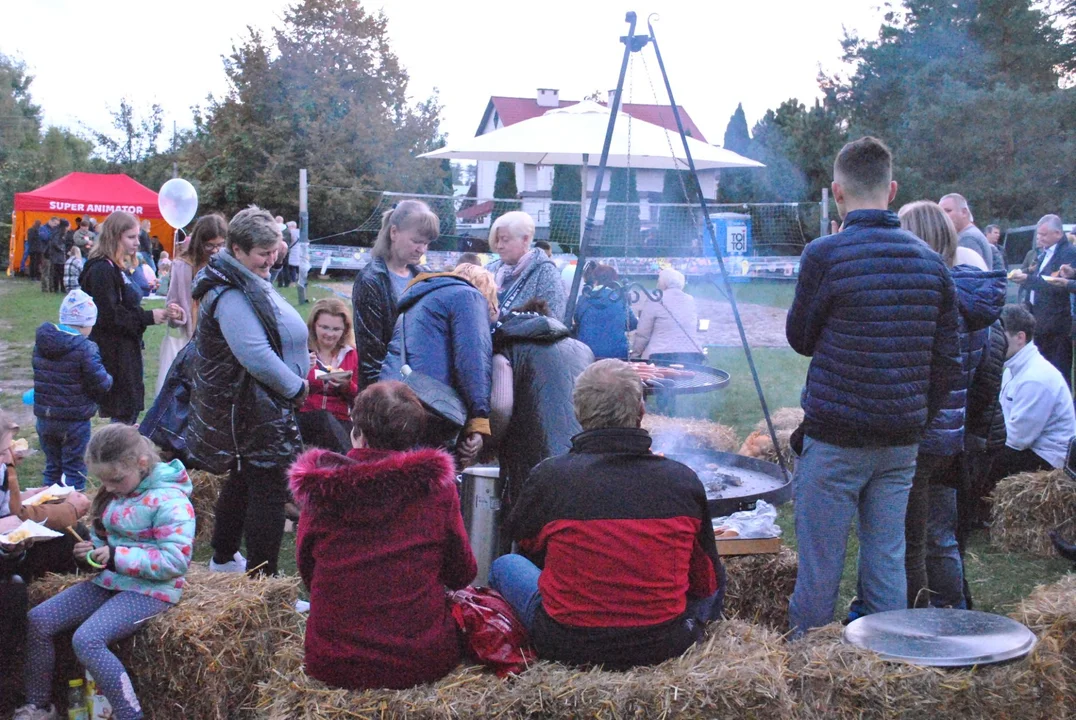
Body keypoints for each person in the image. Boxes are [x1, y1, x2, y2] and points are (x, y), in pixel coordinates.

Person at [785, 137, 961, 636]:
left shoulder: (825, 254)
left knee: (820, 563)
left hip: (836, 435)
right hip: (901, 439)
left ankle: (804, 665)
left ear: (837, 193)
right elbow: (947, 363)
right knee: (886, 559)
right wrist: (914, 417)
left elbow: (800, 338)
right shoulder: (931, 262)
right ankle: (883, 669)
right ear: (893, 189)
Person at [489, 359, 724, 669]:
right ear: (641, 411)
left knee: (505, 564)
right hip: (665, 643)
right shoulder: (682, 479)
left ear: (578, 414)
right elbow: (706, 581)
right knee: (716, 573)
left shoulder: (550, 477)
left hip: (566, 643)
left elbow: (527, 544)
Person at [289, 381, 477, 690]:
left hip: (334, 661)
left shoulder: (321, 489)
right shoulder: (436, 488)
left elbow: (309, 573)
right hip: (420, 661)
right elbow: (462, 573)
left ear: (357, 431)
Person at [15, 424, 194, 720]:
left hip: (151, 590)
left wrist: (115, 557)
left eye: (115, 480)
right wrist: (89, 555)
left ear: (142, 463)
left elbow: (174, 562)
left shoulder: (171, 501)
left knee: (87, 640)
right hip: (109, 581)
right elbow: (103, 539)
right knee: (39, 620)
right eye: (103, 480)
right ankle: (39, 705)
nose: (108, 487)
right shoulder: (117, 493)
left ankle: (130, 714)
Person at [186, 206, 308, 577]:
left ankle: (224, 559)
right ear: (236, 250)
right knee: (268, 489)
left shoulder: (241, 277)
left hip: (256, 405)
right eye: (263, 254)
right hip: (252, 407)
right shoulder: (230, 294)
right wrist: (296, 387)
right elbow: (254, 355)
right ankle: (263, 581)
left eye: (274, 252)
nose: (271, 260)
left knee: (241, 480)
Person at [895, 201, 1004, 611]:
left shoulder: (932, 297)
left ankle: (914, 619)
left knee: (909, 541)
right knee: (939, 534)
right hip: (952, 433)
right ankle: (954, 610)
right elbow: (979, 369)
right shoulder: (974, 297)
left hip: (920, 432)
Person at [379, 263, 494, 464]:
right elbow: (473, 362)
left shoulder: (416, 303)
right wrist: (479, 421)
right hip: (432, 411)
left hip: (390, 403)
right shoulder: (469, 297)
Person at [79, 212, 183, 425]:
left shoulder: (115, 266)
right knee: (124, 409)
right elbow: (109, 315)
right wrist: (147, 317)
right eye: (131, 237)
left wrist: (155, 315)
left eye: (138, 236)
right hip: (114, 351)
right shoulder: (101, 269)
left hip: (126, 346)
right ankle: (118, 454)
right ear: (115, 236)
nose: (138, 242)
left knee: (129, 407)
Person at [491, 297, 593, 512]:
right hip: (584, 458)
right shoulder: (583, 350)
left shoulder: (508, 348)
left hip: (532, 462)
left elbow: (501, 407)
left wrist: (489, 445)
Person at [32, 289, 114, 490]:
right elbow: (100, 382)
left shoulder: (42, 344)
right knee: (74, 468)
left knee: (52, 466)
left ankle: (48, 508)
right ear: (87, 323)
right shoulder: (85, 348)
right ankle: (74, 508)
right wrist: (109, 379)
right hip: (74, 420)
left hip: (45, 417)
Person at [352, 201, 436, 389]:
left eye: (426, 243)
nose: (421, 249)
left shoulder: (424, 276)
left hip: (420, 385)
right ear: (394, 233)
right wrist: (389, 399)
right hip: (387, 393)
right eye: (416, 241)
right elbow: (371, 357)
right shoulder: (371, 280)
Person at [988, 304, 1076, 482]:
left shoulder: (1035, 378)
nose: (993, 342)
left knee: (980, 464)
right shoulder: (1013, 369)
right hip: (1029, 448)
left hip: (1048, 460)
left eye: (999, 336)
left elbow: (1017, 441)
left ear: (1020, 337)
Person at [0, 411, 90, 583]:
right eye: (1, 452)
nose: (7, 458)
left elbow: (9, 512)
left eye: (7, 450)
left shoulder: (2, 469)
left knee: (73, 535)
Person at [1008, 215, 1076, 386]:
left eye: (1044, 235)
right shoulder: (1044, 253)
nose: (1040, 238)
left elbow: (1053, 284)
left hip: (1056, 324)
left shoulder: (1067, 253)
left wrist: (1027, 279)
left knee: (1058, 372)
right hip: (1040, 320)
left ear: (1058, 233)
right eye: (1039, 234)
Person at [299, 298, 359, 452]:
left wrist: (347, 386)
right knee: (323, 418)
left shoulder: (351, 354)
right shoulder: (301, 351)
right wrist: (304, 370)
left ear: (345, 330)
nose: (329, 334)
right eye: (324, 327)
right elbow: (287, 387)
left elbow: (359, 397)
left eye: (336, 329)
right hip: (306, 416)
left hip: (340, 418)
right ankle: (351, 466)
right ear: (314, 325)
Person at [486, 211, 566, 319]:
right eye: (497, 240)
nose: (499, 246)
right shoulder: (488, 270)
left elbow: (553, 322)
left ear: (525, 239)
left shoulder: (546, 273)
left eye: (505, 240)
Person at [571, 263, 637, 360]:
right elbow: (632, 324)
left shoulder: (584, 299)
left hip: (587, 353)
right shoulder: (620, 299)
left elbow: (577, 320)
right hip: (616, 354)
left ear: (595, 280)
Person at [939, 193, 1004, 271]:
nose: (943, 216)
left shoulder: (967, 238)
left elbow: (970, 277)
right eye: (941, 213)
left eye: (948, 211)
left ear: (964, 212)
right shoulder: (971, 234)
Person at [45, 219, 69, 294]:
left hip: (56, 256)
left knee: (57, 273)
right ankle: (59, 288)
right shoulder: (58, 233)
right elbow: (55, 243)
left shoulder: (56, 231)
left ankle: (57, 288)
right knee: (59, 273)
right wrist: (62, 249)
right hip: (58, 256)